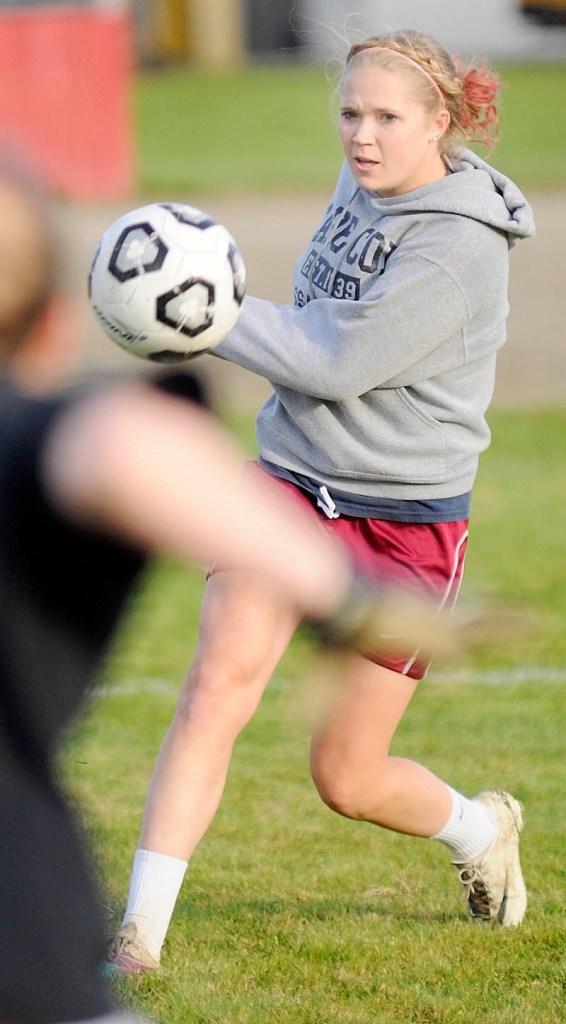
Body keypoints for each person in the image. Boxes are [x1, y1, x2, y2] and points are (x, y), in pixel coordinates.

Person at [109, 29, 535, 976]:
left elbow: (336, 359)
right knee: (218, 682)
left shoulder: (460, 249)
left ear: (443, 124)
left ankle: (478, 830)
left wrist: (199, 304)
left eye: (387, 118)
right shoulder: (366, 183)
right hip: (293, 480)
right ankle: (139, 938)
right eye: (350, 113)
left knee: (346, 777)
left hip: (405, 523)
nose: (363, 137)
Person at [0, 152, 446, 1024]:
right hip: (23, 939)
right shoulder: (31, 438)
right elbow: (123, 447)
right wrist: (344, 596)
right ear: (57, 325)